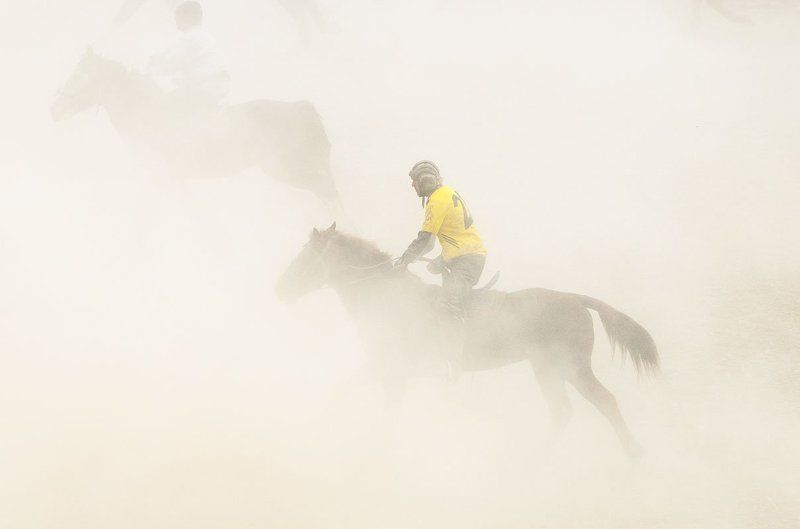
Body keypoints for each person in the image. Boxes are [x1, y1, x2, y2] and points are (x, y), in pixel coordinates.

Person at [395, 161, 487, 379]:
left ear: (425, 180)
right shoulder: (447, 193)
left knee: (448, 305)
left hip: (466, 260)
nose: (413, 186)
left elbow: (426, 241)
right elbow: (457, 234)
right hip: (464, 257)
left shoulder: (436, 200)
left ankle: (453, 364)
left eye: (414, 182)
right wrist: (441, 260)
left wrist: (404, 261)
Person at [147, 2, 230, 113]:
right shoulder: (201, 37)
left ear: (185, 18)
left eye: (176, 18)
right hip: (211, 88)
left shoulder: (192, 38)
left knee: (161, 108)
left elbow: (171, 65)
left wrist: (152, 67)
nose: (175, 21)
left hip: (205, 90)